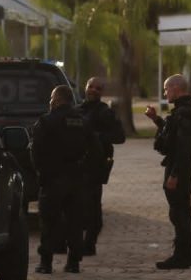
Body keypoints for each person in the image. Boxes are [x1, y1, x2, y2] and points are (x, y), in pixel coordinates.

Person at [31, 84, 96, 274]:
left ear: (58, 100)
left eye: (52, 98)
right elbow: (95, 151)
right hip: (77, 179)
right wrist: (87, 174)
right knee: (75, 223)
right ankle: (73, 263)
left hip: (53, 179)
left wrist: (41, 174)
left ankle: (46, 263)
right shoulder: (84, 122)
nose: (50, 102)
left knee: (49, 223)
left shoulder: (46, 122)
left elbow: (36, 152)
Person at [144, 74, 191, 270]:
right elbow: (172, 136)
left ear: (176, 88)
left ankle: (182, 256)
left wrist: (174, 175)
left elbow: (184, 148)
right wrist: (156, 119)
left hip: (180, 169)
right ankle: (187, 255)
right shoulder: (182, 112)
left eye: (166, 89)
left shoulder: (184, 113)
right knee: (181, 211)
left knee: (180, 214)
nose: (165, 93)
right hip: (180, 166)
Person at [78, 76, 125, 255]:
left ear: (102, 92)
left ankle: (89, 244)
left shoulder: (105, 112)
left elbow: (120, 137)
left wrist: (97, 137)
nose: (93, 90)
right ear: (86, 87)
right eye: (91, 86)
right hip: (76, 165)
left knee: (93, 208)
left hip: (95, 167)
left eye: (98, 88)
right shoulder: (77, 110)